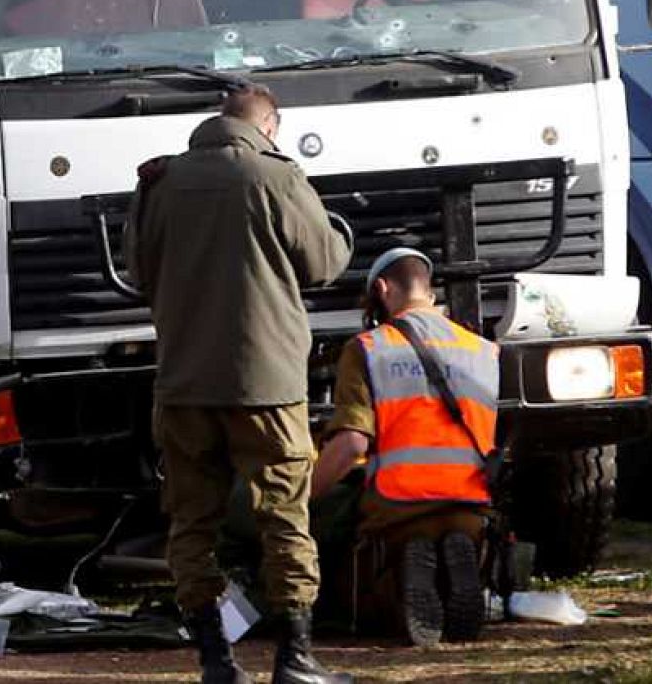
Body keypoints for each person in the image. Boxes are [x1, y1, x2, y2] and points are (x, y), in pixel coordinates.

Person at [128, 82, 353, 684]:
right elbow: (324, 263)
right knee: (284, 517)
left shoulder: (159, 181)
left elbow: (138, 270)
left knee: (191, 524)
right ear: (269, 126)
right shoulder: (276, 176)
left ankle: (216, 661)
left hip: (183, 382)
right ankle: (295, 658)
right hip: (267, 384)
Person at [310, 247, 499, 647]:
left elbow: (351, 443)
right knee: (457, 534)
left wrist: (304, 497)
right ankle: (457, 556)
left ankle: (411, 558)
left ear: (382, 289)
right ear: (430, 292)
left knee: (358, 545)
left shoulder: (368, 347)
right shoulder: (483, 351)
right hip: (469, 508)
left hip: (398, 509)